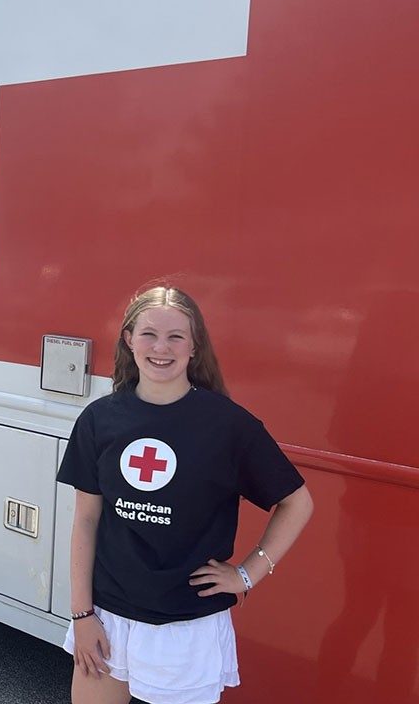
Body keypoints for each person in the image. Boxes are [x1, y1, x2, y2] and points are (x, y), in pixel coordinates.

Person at [57, 285, 314, 704]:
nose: (162, 348)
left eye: (176, 336)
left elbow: (297, 502)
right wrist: (83, 615)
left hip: (186, 626)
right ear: (128, 340)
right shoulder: (99, 420)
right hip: (108, 616)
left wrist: (247, 573)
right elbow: (85, 520)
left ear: (195, 346)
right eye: (149, 334)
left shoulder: (228, 426)